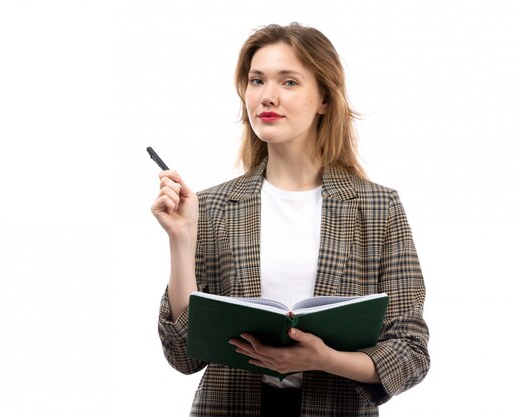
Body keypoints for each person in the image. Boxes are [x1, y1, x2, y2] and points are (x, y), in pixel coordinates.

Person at [151, 22, 429, 417]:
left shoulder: (378, 207)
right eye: (257, 80)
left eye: (289, 82)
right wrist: (180, 239)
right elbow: (183, 353)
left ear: (324, 100)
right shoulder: (211, 207)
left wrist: (325, 359)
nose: (267, 96)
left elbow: (410, 351)